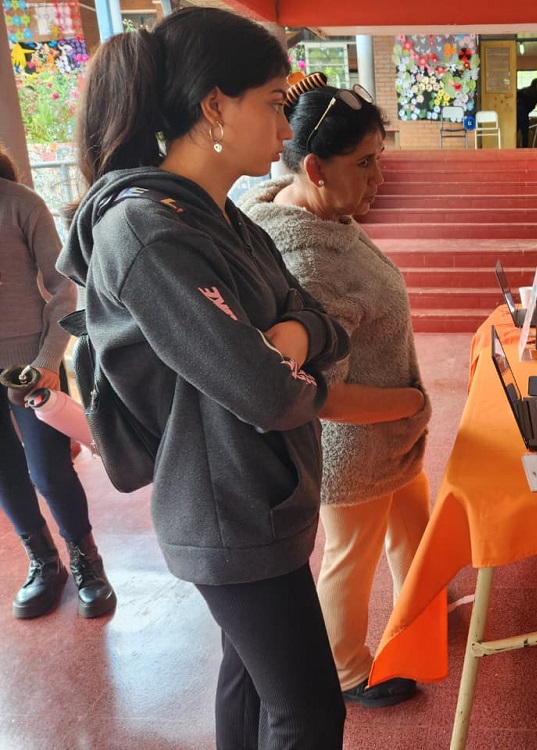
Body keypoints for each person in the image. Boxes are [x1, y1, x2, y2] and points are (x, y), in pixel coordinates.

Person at [57, 9, 351, 747]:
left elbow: (325, 324)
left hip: (261, 494)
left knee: (250, 688)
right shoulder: (148, 229)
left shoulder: (223, 215)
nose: (286, 128)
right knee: (309, 712)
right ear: (215, 105)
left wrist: (295, 337)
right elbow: (270, 393)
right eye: (275, 104)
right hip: (229, 507)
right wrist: (306, 377)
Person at [238, 72, 430, 709]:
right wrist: (412, 402)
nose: (380, 178)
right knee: (351, 557)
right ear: (315, 168)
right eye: (365, 163)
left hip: (391, 439)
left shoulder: (327, 217)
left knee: (413, 529)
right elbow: (323, 395)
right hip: (356, 447)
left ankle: (420, 613)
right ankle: (345, 668)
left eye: (381, 158)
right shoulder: (308, 258)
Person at [0, 144, 116, 621]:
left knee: (49, 471)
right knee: (4, 473)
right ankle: (44, 564)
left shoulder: (21, 203)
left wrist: (48, 360)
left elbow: (64, 288)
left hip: (32, 367)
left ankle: (87, 563)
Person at [516, 77, 537, 148]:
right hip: (524, 112)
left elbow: (515, 95)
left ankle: (513, 145)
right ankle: (524, 148)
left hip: (517, 110)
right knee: (525, 131)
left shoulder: (524, 89)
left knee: (516, 128)